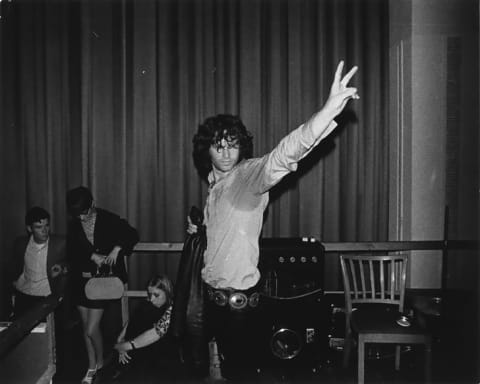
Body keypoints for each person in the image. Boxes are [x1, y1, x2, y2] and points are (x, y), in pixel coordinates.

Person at [189, 61, 359, 379]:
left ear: (243, 147)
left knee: (242, 374)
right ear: (207, 150)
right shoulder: (214, 186)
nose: (226, 153)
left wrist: (328, 111)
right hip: (212, 300)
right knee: (220, 369)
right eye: (218, 145)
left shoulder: (249, 175)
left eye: (232, 144)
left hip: (237, 306)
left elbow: (286, 152)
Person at [66, 186, 139, 384]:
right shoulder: (73, 225)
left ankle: (99, 364)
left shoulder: (108, 219)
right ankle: (91, 367)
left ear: (93, 204)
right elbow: (71, 250)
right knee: (85, 329)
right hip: (80, 282)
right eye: (77, 215)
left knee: (91, 329)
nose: (82, 218)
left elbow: (133, 234)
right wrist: (91, 255)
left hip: (101, 284)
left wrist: (117, 248)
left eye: (85, 213)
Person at [109, 275, 173, 382]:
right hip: (134, 347)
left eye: (156, 295)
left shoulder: (172, 309)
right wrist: (121, 338)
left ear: (168, 292)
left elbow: (155, 334)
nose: (152, 299)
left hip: (155, 351)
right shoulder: (148, 304)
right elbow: (132, 320)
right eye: (150, 294)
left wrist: (123, 346)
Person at [8, 206, 67, 318]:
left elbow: (73, 263)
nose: (44, 231)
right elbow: (14, 266)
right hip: (23, 294)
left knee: (47, 334)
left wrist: (62, 267)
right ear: (30, 229)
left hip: (46, 297)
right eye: (39, 227)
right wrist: (13, 286)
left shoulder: (59, 244)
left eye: (47, 225)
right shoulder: (20, 244)